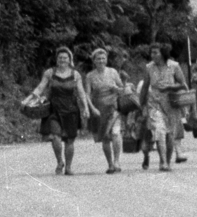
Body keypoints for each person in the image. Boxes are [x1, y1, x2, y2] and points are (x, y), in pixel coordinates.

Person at [29, 46, 92, 175]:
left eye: (65, 58)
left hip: (71, 110)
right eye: (60, 57)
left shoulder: (75, 74)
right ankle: (59, 162)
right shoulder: (50, 73)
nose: (62, 60)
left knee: (69, 140)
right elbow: (40, 87)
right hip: (53, 109)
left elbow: (81, 92)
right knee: (55, 136)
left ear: (69, 60)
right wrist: (28, 99)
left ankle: (68, 167)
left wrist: (85, 108)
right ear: (57, 59)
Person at [138, 42, 187, 172]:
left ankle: (167, 161)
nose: (152, 55)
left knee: (170, 135)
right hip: (154, 104)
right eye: (151, 52)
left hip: (171, 104)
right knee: (159, 131)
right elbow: (144, 86)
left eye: (155, 52)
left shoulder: (174, 66)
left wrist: (170, 87)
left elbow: (183, 85)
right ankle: (163, 162)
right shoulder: (149, 67)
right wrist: (140, 104)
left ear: (163, 53)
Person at [84, 47, 126, 174]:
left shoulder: (113, 72)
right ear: (94, 61)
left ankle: (117, 161)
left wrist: (116, 89)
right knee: (105, 137)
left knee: (115, 133)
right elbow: (87, 94)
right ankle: (110, 164)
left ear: (106, 60)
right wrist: (92, 109)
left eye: (103, 58)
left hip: (113, 108)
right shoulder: (90, 76)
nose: (101, 61)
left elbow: (122, 88)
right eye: (98, 59)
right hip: (99, 109)